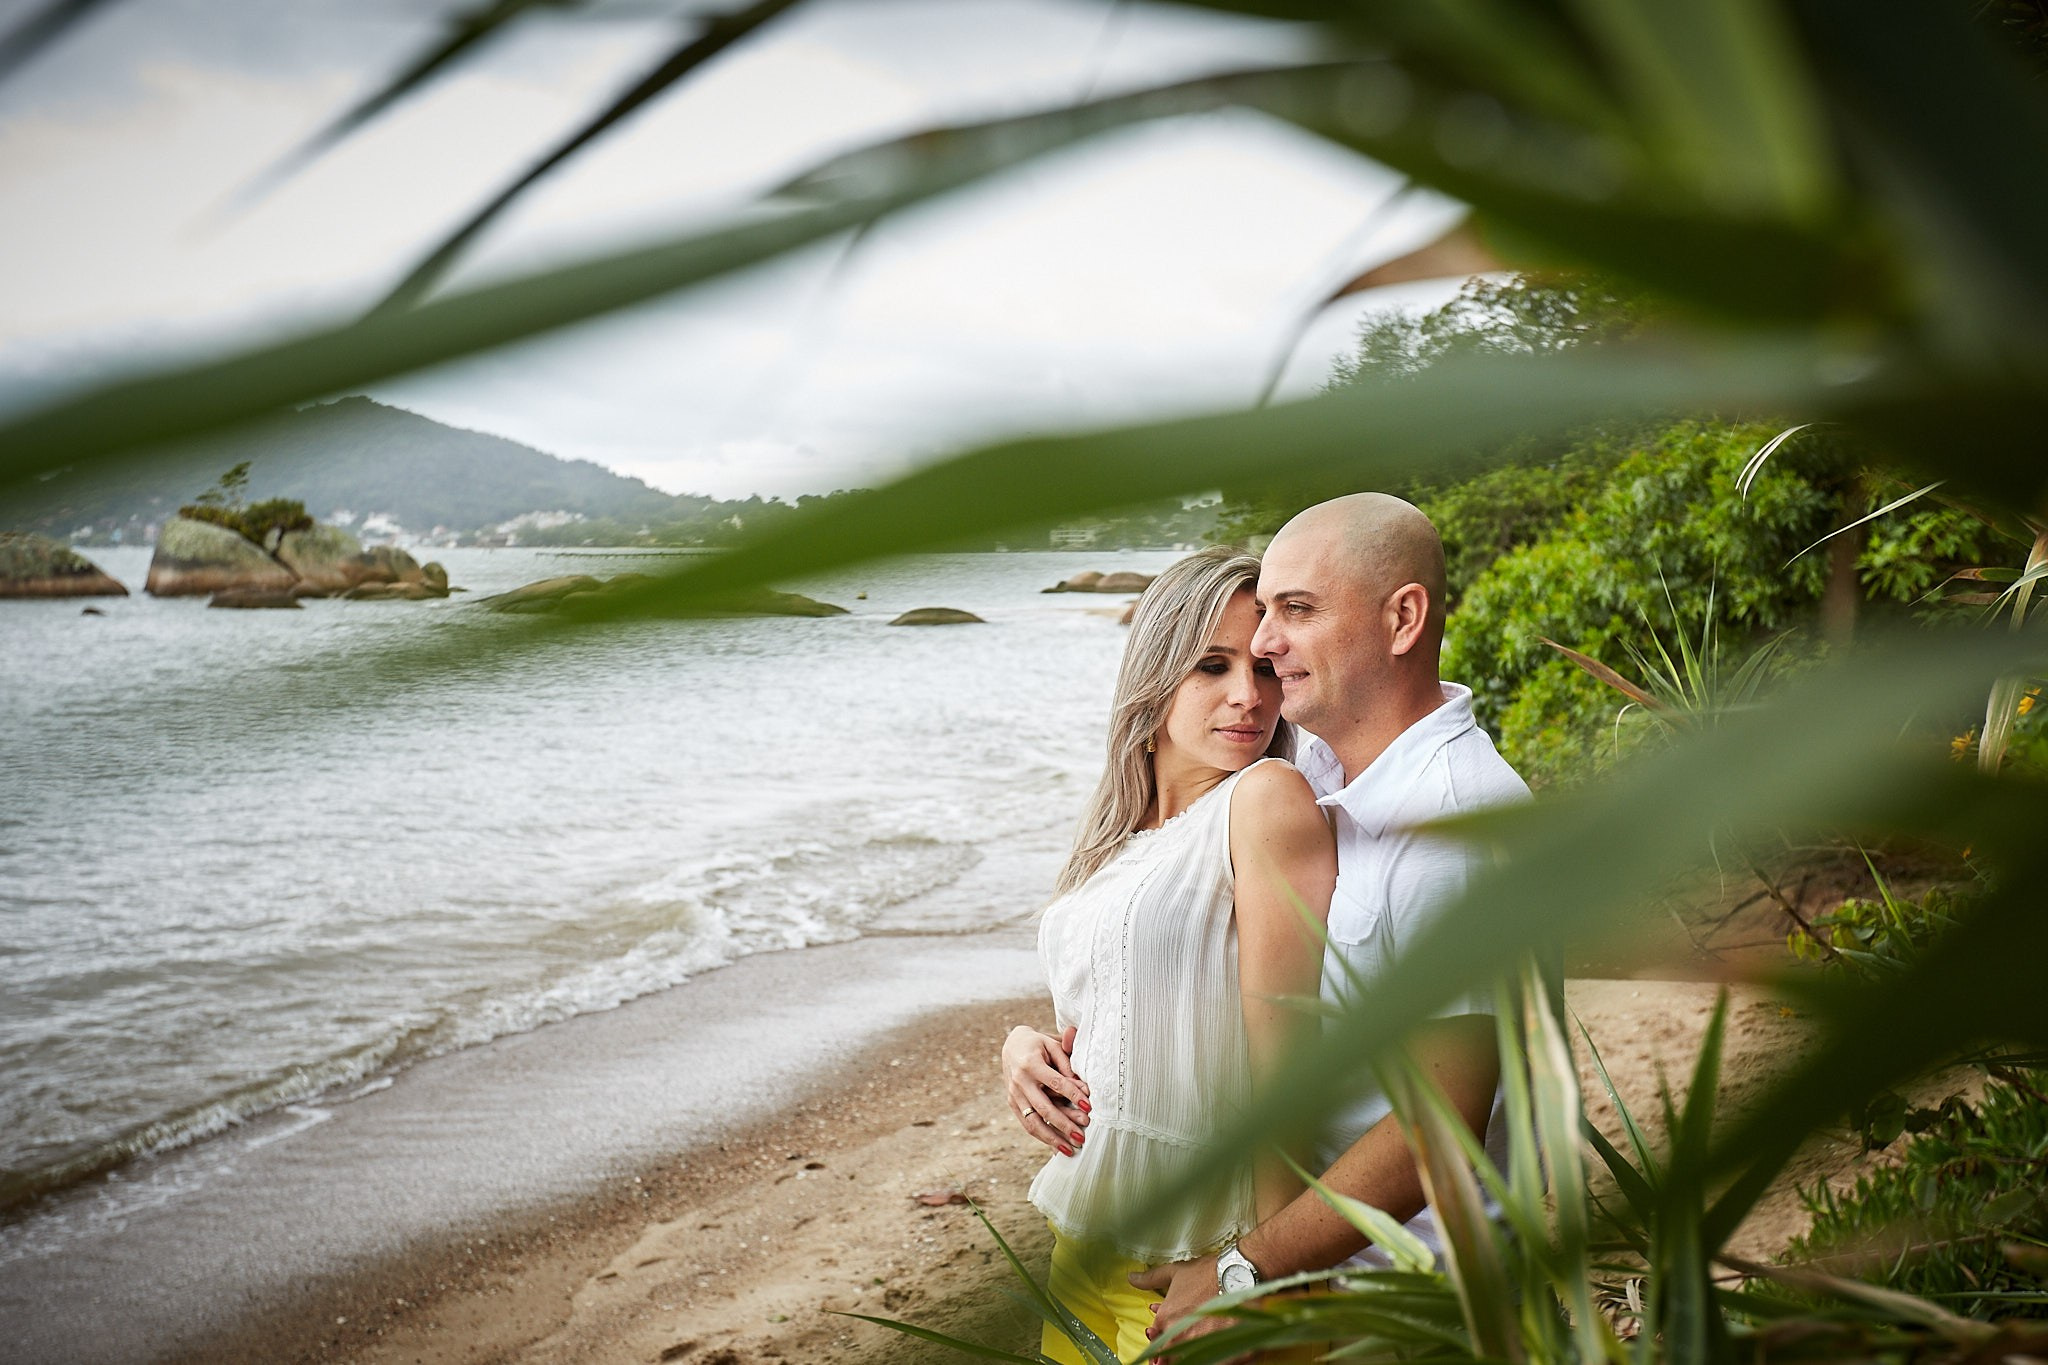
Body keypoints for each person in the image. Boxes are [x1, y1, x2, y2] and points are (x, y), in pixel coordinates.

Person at [1125, 492, 1533, 1350]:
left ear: (1402, 619)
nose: (1266, 646)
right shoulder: (1320, 758)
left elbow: (1443, 1126)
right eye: (1266, 610)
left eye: (1297, 611)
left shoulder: (1455, 823)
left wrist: (1244, 1268)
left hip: (1409, 1306)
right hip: (1319, 1278)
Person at [1002, 545, 1337, 1363]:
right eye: (1212, 666)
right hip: (1082, 1236)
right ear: (1154, 673)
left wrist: (1257, 1275)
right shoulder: (1115, 846)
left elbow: (1286, 1059)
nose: (1247, 696)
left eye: (1261, 669)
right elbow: (1109, 1014)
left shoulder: (1264, 800)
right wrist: (1020, 1047)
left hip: (1193, 1262)